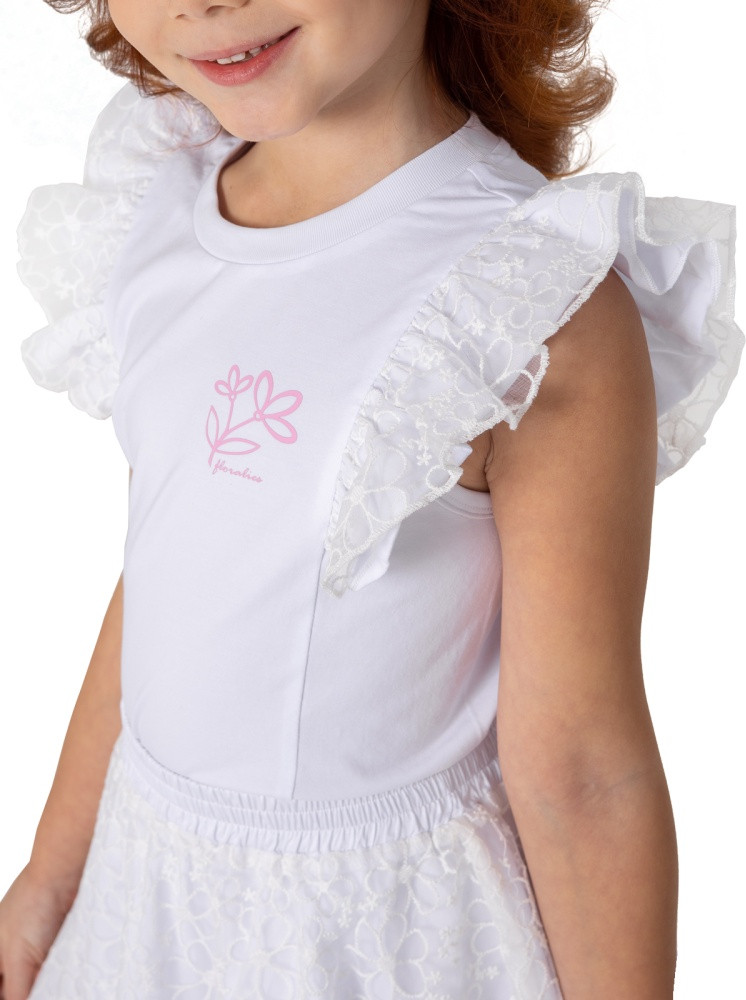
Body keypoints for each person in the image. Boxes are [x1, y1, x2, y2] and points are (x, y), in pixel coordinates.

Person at [0, 0, 742, 997]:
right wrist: (50, 875)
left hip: (381, 940)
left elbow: (582, 769)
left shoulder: (524, 298)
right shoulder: (157, 211)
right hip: (146, 904)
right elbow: (164, 580)